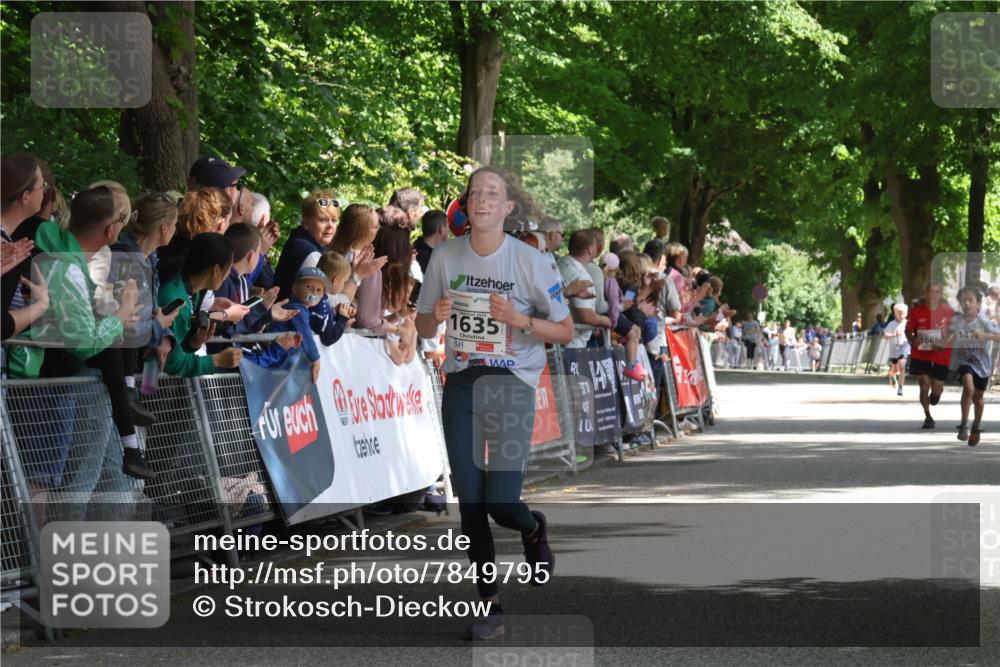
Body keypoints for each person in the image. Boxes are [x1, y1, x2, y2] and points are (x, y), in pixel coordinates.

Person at [415, 165, 573, 640]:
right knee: (470, 503)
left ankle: (530, 527)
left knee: (501, 502)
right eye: (474, 192)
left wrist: (519, 319)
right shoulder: (445, 255)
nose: (481, 199)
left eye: (492, 194)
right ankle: (489, 605)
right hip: (462, 385)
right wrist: (435, 317)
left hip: (510, 387)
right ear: (467, 204)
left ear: (507, 208)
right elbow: (421, 325)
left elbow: (564, 330)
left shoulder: (530, 262)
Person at [108, 192, 182, 478]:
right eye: (175, 225)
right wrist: (158, 326)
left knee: (117, 477)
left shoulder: (149, 260)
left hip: (125, 364)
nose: (176, 231)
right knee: (99, 471)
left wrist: (156, 324)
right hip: (101, 374)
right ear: (164, 227)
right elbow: (125, 325)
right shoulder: (125, 259)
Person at [157, 233, 243, 376]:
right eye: (229, 268)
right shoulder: (177, 301)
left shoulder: (193, 291)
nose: (229, 274)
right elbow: (170, 361)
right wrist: (216, 360)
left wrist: (193, 343)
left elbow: (176, 345)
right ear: (215, 270)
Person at [946, 286, 1000, 446]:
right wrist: (926, 341)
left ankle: (976, 426)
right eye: (964, 300)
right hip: (964, 361)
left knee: (978, 398)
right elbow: (946, 339)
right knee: (968, 388)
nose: (967, 303)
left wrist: (984, 335)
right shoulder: (957, 321)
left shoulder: (983, 321)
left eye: (971, 300)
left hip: (982, 364)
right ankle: (964, 424)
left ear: (978, 304)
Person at [330, 204, 390, 333]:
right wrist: (395, 329)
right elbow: (366, 320)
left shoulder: (330, 253)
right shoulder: (368, 266)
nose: (378, 230)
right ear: (363, 231)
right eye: (375, 226)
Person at [273, 190, 341, 299]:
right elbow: (324, 301)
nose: (330, 226)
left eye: (333, 220)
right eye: (323, 220)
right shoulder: (310, 254)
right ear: (306, 222)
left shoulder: (298, 241)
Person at [905, 282, 954, 429]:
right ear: (925, 293)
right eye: (930, 292)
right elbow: (908, 331)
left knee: (937, 388)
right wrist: (914, 339)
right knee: (924, 384)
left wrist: (945, 341)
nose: (933, 295)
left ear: (941, 295)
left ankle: (935, 395)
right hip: (920, 354)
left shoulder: (948, 312)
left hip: (941, 354)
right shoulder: (915, 312)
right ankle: (928, 416)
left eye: (937, 292)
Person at [559, 229, 610, 348]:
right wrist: (604, 320)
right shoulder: (581, 276)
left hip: (557, 337)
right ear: (590, 249)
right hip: (574, 344)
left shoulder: (560, 262)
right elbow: (586, 316)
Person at [601, 252, 645, 381]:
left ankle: (633, 364)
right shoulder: (628, 285)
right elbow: (627, 303)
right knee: (635, 332)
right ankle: (631, 365)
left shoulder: (611, 279)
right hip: (619, 317)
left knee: (635, 332)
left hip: (617, 316)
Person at [883, 303, 910, 397]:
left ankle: (901, 387)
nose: (902, 316)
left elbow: (914, 333)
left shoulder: (908, 323)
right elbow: (884, 336)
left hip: (904, 346)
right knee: (895, 369)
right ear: (895, 314)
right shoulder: (891, 324)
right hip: (894, 349)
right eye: (899, 313)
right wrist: (894, 335)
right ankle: (891, 374)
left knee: (902, 365)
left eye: (903, 313)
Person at [414, 209, 448, 275]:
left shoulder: (414, 250)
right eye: (447, 226)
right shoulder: (431, 260)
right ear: (441, 229)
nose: (449, 230)